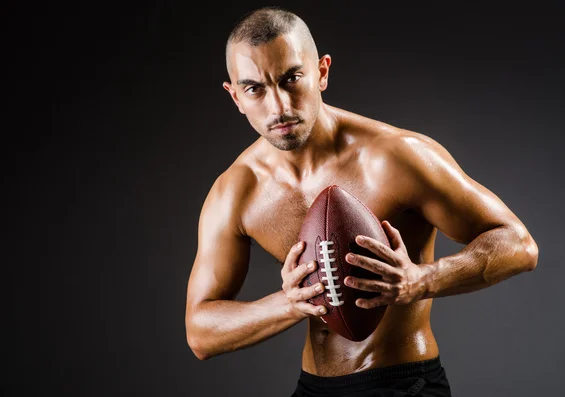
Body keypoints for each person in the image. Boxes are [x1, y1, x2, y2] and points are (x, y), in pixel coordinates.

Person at [185, 6, 539, 397]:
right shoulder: (236, 191)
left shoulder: (395, 158)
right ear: (234, 95)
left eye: (292, 79)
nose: (279, 107)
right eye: (255, 89)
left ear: (321, 72)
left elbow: (519, 245)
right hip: (313, 388)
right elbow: (201, 332)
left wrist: (421, 280)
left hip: (404, 385)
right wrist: (288, 304)